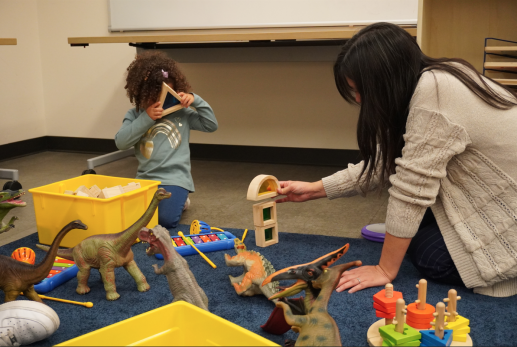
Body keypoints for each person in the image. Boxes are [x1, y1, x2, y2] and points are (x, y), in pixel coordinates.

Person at [275, 22, 517, 297]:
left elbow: (411, 190)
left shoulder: (435, 94)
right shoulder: (435, 77)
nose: (357, 98)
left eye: (360, 90)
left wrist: (384, 269)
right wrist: (314, 189)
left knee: (427, 255)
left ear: (385, 81)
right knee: (409, 230)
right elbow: (388, 163)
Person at [115, 51, 218, 228]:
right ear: (140, 93)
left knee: (164, 221)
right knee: (129, 218)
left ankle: (182, 201)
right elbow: (121, 142)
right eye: (154, 97)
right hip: (145, 179)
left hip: (175, 178)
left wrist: (195, 100)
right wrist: (146, 118)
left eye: (167, 95)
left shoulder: (181, 113)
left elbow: (210, 125)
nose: (162, 102)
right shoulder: (135, 115)